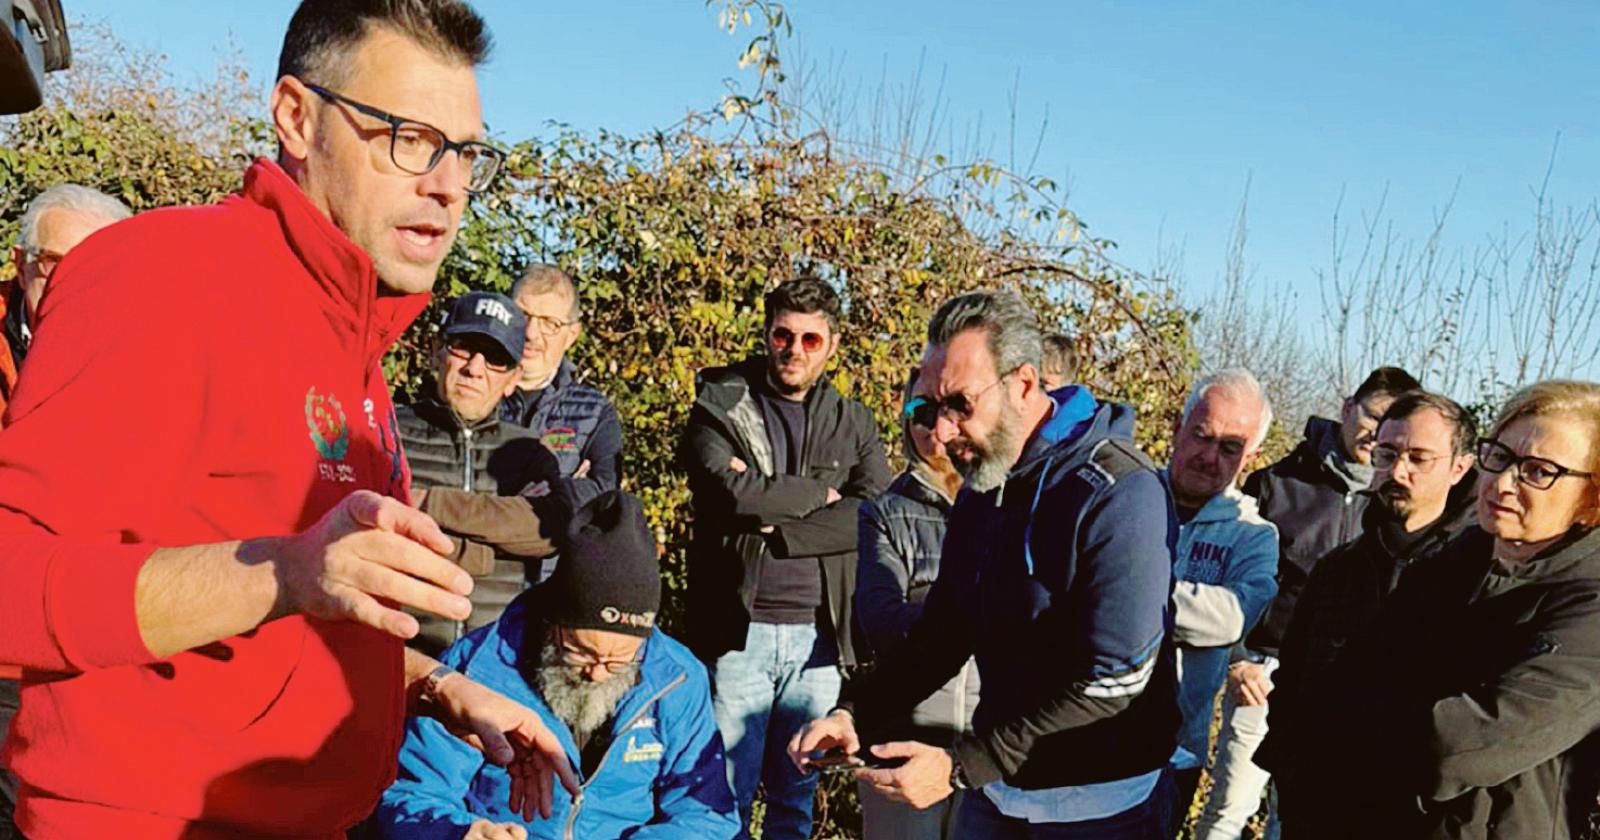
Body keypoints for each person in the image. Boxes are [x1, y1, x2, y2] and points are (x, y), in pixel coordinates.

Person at [0, 2, 579, 836]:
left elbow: (295, 618)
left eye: (466, 152)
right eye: (409, 138)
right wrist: (285, 570)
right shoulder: (158, 276)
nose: (448, 184)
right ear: (297, 118)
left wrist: (436, 686)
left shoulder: (359, 339)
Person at [789, 289, 1181, 838]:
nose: (942, 432)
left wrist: (963, 765)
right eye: (929, 408)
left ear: (1023, 384)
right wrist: (855, 714)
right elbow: (944, 634)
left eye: (960, 404)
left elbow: (1117, 676)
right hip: (998, 796)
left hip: (1101, 808)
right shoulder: (984, 488)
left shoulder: (1120, 490)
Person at [377, 491, 739, 840]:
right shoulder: (474, 668)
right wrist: (459, 833)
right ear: (552, 621)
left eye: (620, 661)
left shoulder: (678, 678)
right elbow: (412, 795)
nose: (597, 673)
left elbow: (705, 814)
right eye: (580, 652)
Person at [1330, 380, 1600, 838]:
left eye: (1538, 471)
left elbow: (1458, 746)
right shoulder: (1451, 562)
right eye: (1500, 456)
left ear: (1592, 495)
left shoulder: (1590, 604)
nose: (1503, 482)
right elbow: (1346, 679)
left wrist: (1363, 719)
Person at [679, 276, 891, 840]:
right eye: (783, 335)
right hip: (737, 633)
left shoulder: (853, 421)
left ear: (832, 345)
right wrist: (821, 496)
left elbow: (873, 514)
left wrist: (779, 527)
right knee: (720, 798)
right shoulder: (721, 403)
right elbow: (725, 494)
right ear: (767, 334)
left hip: (818, 641)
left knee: (795, 803)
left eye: (810, 339)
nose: (794, 350)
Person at [1196, 365, 1420, 839]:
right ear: (1347, 408)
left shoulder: (1398, 503)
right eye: (1372, 416)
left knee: (1299, 814)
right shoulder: (1278, 483)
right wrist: (1237, 658)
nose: (1376, 433)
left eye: (1391, 427)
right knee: (1230, 807)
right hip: (1263, 672)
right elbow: (1235, 575)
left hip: (1344, 683)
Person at [1257, 390, 1478, 838]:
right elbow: (1293, 680)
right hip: (1317, 808)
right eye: (1388, 453)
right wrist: (1291, 774)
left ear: (1460, 467)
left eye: (1419, 458)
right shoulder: (1336, 570)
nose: (1398, 471)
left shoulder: (1476, 579)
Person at [397, 290, 574, 657]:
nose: (474, 369)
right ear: (436, 351)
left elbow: (550, 528)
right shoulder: (389, 432)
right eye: (464, 348)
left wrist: (428, 503)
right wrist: (495, 541)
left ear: (512, 379)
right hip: (402, 654)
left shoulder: (527, 450)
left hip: (495, 663)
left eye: (495, 358)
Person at [852, 368, 978, 840]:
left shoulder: (1011, 506)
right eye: (920, 413)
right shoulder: (884, 511)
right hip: (906, 735)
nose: (936, 429)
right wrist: (974, 615)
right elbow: (882, 621)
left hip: (989, 747)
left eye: (952, 411)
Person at [1162, 369, 1280, 831]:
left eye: (1230, 447)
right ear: (1179, 427)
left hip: (1171, 753)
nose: (1209, 456)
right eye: (1202, 435)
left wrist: (1118, 594)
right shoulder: (1122, 501)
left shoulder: (1254, 538)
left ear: (1251, 457)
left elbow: (1232, 619)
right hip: (1073, 735)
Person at [0, 184, 132, 419]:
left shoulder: (149, 348)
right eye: (56, 263)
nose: (74, 283)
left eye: (98, 268)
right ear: (21, 265)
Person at [500, 265, 623, 516]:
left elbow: (604, 491)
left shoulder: (596, 412)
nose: (531, 333)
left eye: (549, 323)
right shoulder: (471, 394)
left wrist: (550, 495)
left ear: (571, 335)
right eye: (522, 315)